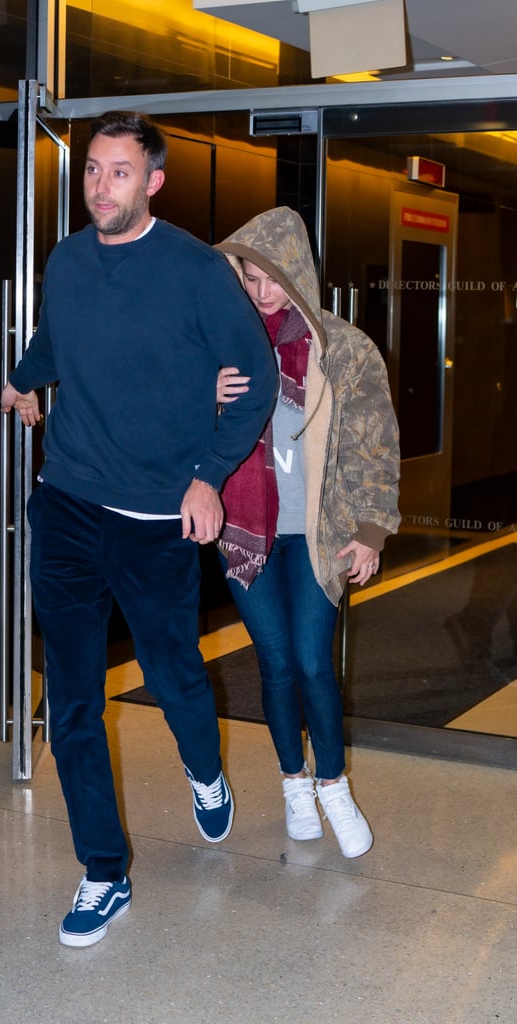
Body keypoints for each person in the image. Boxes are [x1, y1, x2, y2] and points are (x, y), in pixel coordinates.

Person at [0, 111, 278, 947]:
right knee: (74, 698)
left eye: (119, 172)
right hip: (69, 501)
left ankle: (204, 771)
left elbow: (255, 375)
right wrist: (24, 379)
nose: (100, 186)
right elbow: (59, 337)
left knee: (174, 675)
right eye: (92, 169)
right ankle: (103, 874)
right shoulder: (66, 259)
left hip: (157, 514)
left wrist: (207, 476)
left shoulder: (194, 271)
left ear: (153, 181)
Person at [214, 206, 401, 859]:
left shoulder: (343, 348)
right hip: (247, 529)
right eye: (247, 276)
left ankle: (332, 785)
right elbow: (188, 434)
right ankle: (293, 783)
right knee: (272, 662)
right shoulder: (225, 345)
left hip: (319, 533)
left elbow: (375, 445)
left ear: (297, 270)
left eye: (271, 276)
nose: (262, 291)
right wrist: (208, 395)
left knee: (311, 663)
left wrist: (371, 531)